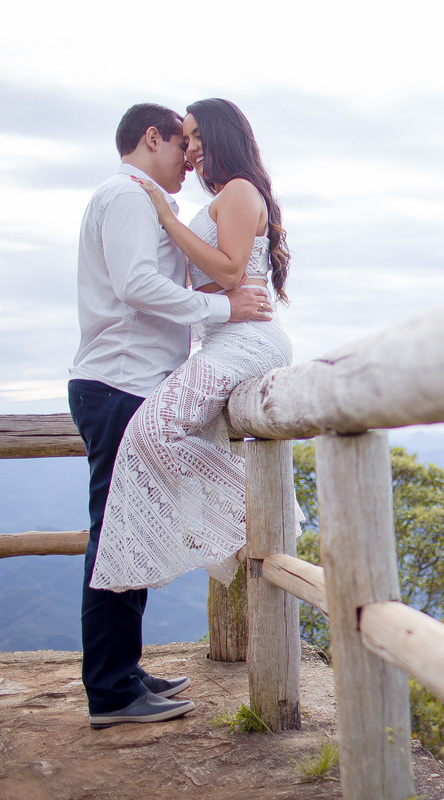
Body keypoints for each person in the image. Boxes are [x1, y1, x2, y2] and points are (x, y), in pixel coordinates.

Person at [68, 102, 274, 728]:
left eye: (195, 142)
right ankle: (110, 690)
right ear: (150, 138)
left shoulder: (141, 199)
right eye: (178, 142)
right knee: (114, 529)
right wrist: (222, 313)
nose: (188, 156)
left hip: (130, 381)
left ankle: (124, 672)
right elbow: (135, 285)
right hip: (119, 382)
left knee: (128, 521)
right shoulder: (130, 196)